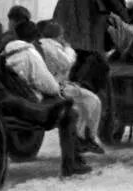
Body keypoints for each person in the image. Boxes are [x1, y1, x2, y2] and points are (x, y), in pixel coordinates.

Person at [2, 21, 92, 176]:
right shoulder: (30, 54)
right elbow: (50, 86)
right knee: (70, 113)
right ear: (34, 37)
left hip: (11, 101)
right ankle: (71, 164)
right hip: (30, 105)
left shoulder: (4, 53)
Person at [52, 0, 128, 93]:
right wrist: (125, 16)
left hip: (65, 7)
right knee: (90, 51)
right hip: (89, 12)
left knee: (69, 47)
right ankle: (81, 88)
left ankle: (67, 83)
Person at [35, 21, 104, 155]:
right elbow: (67, 62)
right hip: (57, 88)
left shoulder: (39, 44)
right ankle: (88, 138)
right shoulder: (52, 46)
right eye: (61, 36)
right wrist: (69, 49)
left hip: (49, 86)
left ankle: (83, 136)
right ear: (58, 36)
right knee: (93, 100)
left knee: (84, 104)